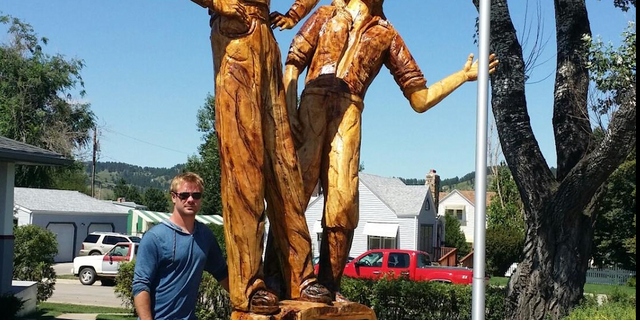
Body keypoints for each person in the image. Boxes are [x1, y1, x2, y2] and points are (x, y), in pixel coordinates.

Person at [284, 0, 498, 299]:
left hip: (349, 112)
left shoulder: (387, 34)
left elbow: (419, 98)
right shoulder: (326, 12)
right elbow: (295, 61)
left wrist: (462, 76)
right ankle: (280, 275)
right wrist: (289, 109)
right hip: (311, 105)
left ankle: (329, 286)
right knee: (295, 193)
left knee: (343, 202)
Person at [188, 0, 332, 315]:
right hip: (234, 42)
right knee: (244, 171)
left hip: (266, 41)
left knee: (286, 170)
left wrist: (296, 12)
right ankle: (249, 286)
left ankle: (301, 276)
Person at [132, 172, 229, 320]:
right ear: (173, 197)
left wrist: (251, 300)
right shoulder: (154, 237)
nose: (190, 200)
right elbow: (141, 285)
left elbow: (223, 273)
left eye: (196, 195)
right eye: (184, 195)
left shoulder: (205, 236)